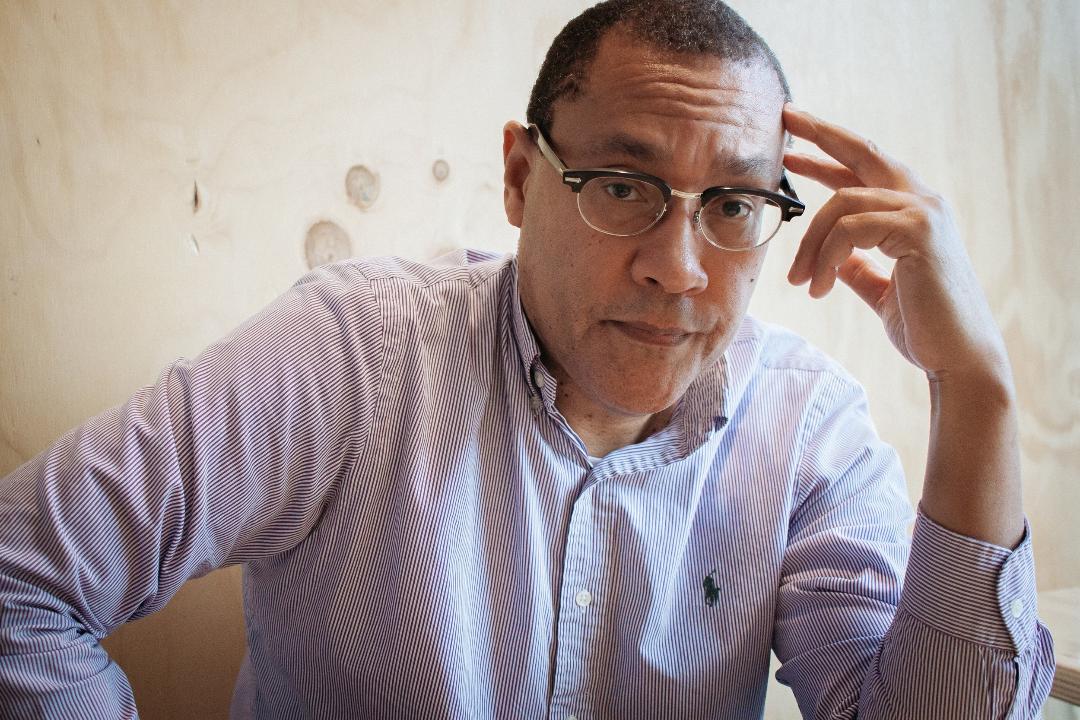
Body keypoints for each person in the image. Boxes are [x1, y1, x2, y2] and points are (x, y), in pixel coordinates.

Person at [0, 1, 1057, 718]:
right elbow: (21, 585)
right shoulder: (354, 357)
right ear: (521, 177)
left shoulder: (807, 430)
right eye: (620, 185)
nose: (679, 269)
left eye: (733, 204)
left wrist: (977, 395)